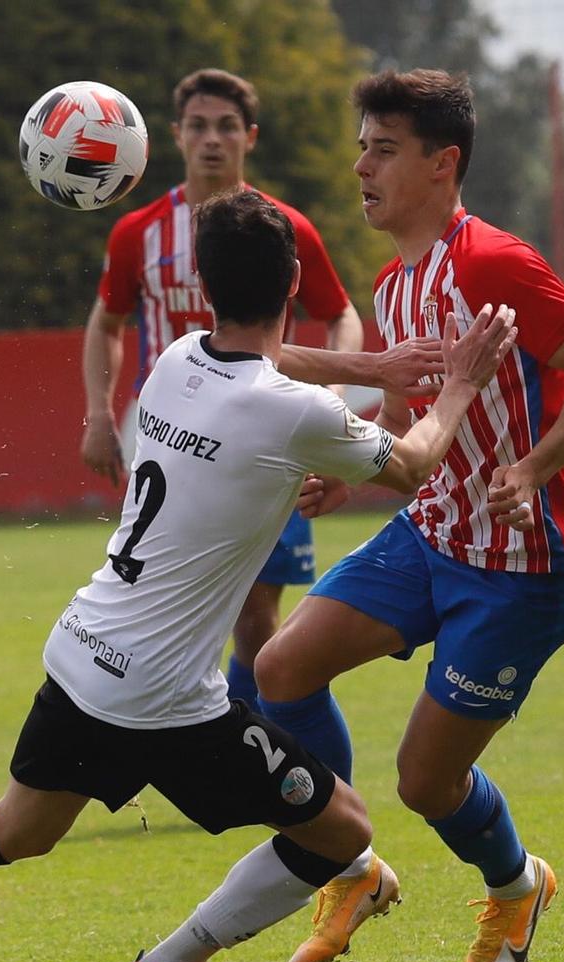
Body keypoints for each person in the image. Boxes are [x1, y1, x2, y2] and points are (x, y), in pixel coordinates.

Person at [0, 189, 519, 962]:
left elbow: (268, 376)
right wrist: (457, 384)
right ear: (296, 279)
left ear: (201, 284)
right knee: (341, 831)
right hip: (163, 694)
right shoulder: (291, 411)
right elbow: (413, 462)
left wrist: (370, 368)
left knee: (16, 827)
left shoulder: (179, 359)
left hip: (86, 644)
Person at [253, 70, 564, 962]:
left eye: (383, 148)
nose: (361, 166)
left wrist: (531, 470)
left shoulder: (495, 263)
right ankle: (345, 860)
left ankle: (516, 885)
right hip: (430, 536)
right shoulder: (393, 287)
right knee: (279, 669)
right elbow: (398, 424)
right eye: (361, 146)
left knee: (426, 780)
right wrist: (345, 475)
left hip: (523, 569)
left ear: (442, 162)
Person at [80, 68, 426, 714]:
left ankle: (275, 759)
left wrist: (329, 393)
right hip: (176, 441)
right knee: (171, 603)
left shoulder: (279, 227)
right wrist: (99, 414)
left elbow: (343, 313)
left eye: (227, 127)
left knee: (257, 618)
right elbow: (108, 322)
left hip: (267, 439)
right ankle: (207, 741)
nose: (213, 140)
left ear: (250, 137)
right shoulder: (138, 234)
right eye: (199, 127)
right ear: (175, 137)